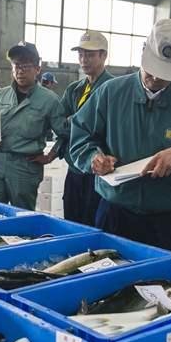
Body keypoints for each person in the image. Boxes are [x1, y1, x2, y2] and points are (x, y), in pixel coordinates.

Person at [70, 19, 171, 253]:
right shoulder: (111, 92)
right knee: (109, 284)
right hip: (114, 215)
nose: (155, 78)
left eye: (165, 73)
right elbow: (81, 135)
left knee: (163, 286)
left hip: (165, 222)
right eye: (152, 68)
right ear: (143, 51)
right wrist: (93, 157)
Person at [0, 42, 69, 210]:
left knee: (21, 216)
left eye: (26, 65)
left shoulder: (49, 100)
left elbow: (65, 134)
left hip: (25, 167)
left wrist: (50, 156)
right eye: (16, 65)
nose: (20, 70)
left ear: (37, 69)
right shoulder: (0, 95)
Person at [59, 31, 114, 226]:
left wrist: (73, 120)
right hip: (74, 167)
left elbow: (108, 128)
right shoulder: (74, 89)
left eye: (90, 55)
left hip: (98, 170)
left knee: (94, 222)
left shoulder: (114, 89)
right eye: (81, 54)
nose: (84, 59)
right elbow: (59, 123)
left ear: (103, 56)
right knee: (72, 219)